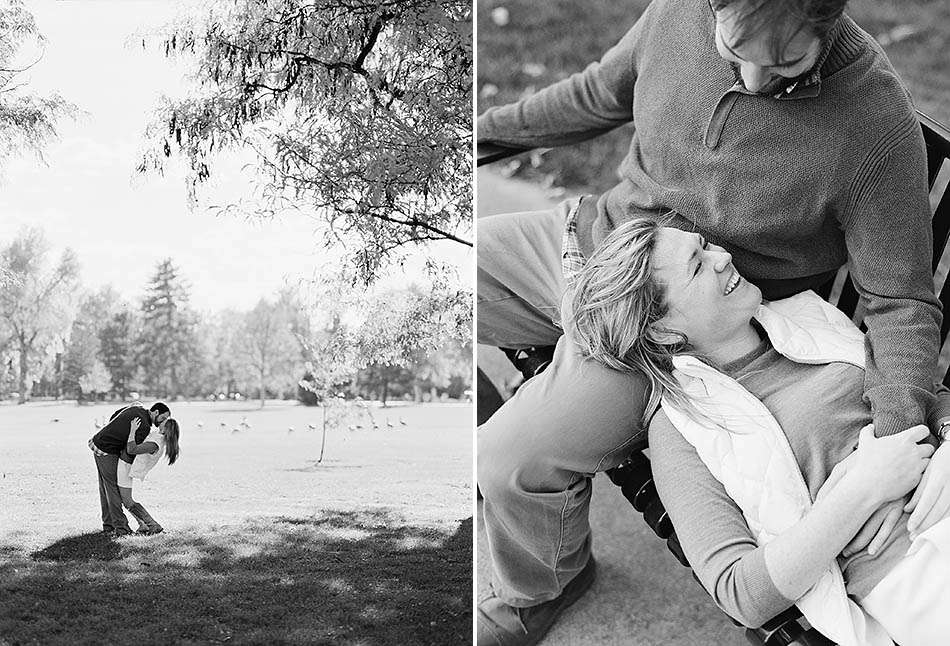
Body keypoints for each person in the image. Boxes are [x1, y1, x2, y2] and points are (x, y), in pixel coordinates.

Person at [476, 0, 941, 643]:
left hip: (672, 328)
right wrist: (475, 138)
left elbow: (901, 301)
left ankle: (542, 585)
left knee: (507, 460)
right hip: (590, 238)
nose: (754, 83)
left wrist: (891, 454)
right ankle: (484, 408)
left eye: (787, 62)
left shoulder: (873, 125)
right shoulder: (676, 13)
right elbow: (597, 92)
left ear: (830, 18)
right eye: (733, 53)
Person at [565, 218, 950, 646]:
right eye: (697, 266)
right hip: (914, 569)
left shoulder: (807, 314)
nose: (722, 257)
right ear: (663, 330)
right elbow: (739, 593)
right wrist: (862, 489)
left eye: (704, 246)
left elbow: (927, 391)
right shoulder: (682, 428)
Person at [88, 402, 170, 537]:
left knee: (105, 489)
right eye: (163, 417)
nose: (164, 421)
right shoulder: (143, 426)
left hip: (99, 442)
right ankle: (122, 529)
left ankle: (108, 526)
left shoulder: (137, 407)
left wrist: (116, 430)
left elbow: (114, 416)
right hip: (107, 450)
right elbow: (130, 450)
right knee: (113, 489)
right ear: (155, 412)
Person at [117, 416, 181, 535]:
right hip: (127, 466)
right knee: (125, 500)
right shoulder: (158, 436)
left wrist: (133, 430)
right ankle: (143, 525)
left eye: (163, 422)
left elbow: (132, 449)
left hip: (126, 468)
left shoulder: (155, 443)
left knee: (127, 501)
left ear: (166, 429)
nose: (160, 423)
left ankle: (152, 524)